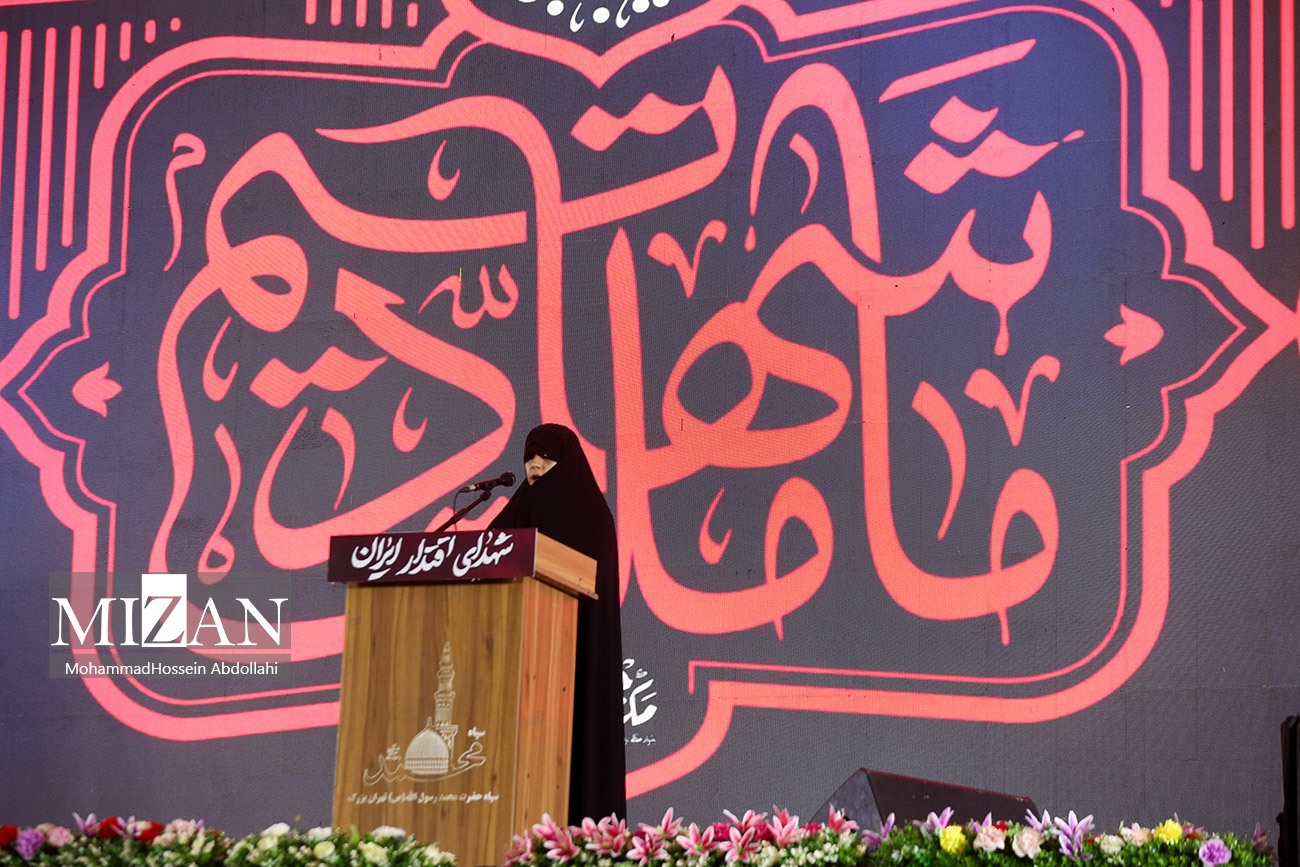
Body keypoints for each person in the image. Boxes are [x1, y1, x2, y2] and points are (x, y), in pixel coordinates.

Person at [489, 423, 627, 822]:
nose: (534, 467)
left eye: (545, 458)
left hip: (574, 655)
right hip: (520, 663)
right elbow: (483, 554)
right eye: (529, 458)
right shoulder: (521, 508)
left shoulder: (591, 517)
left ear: (566, 463)